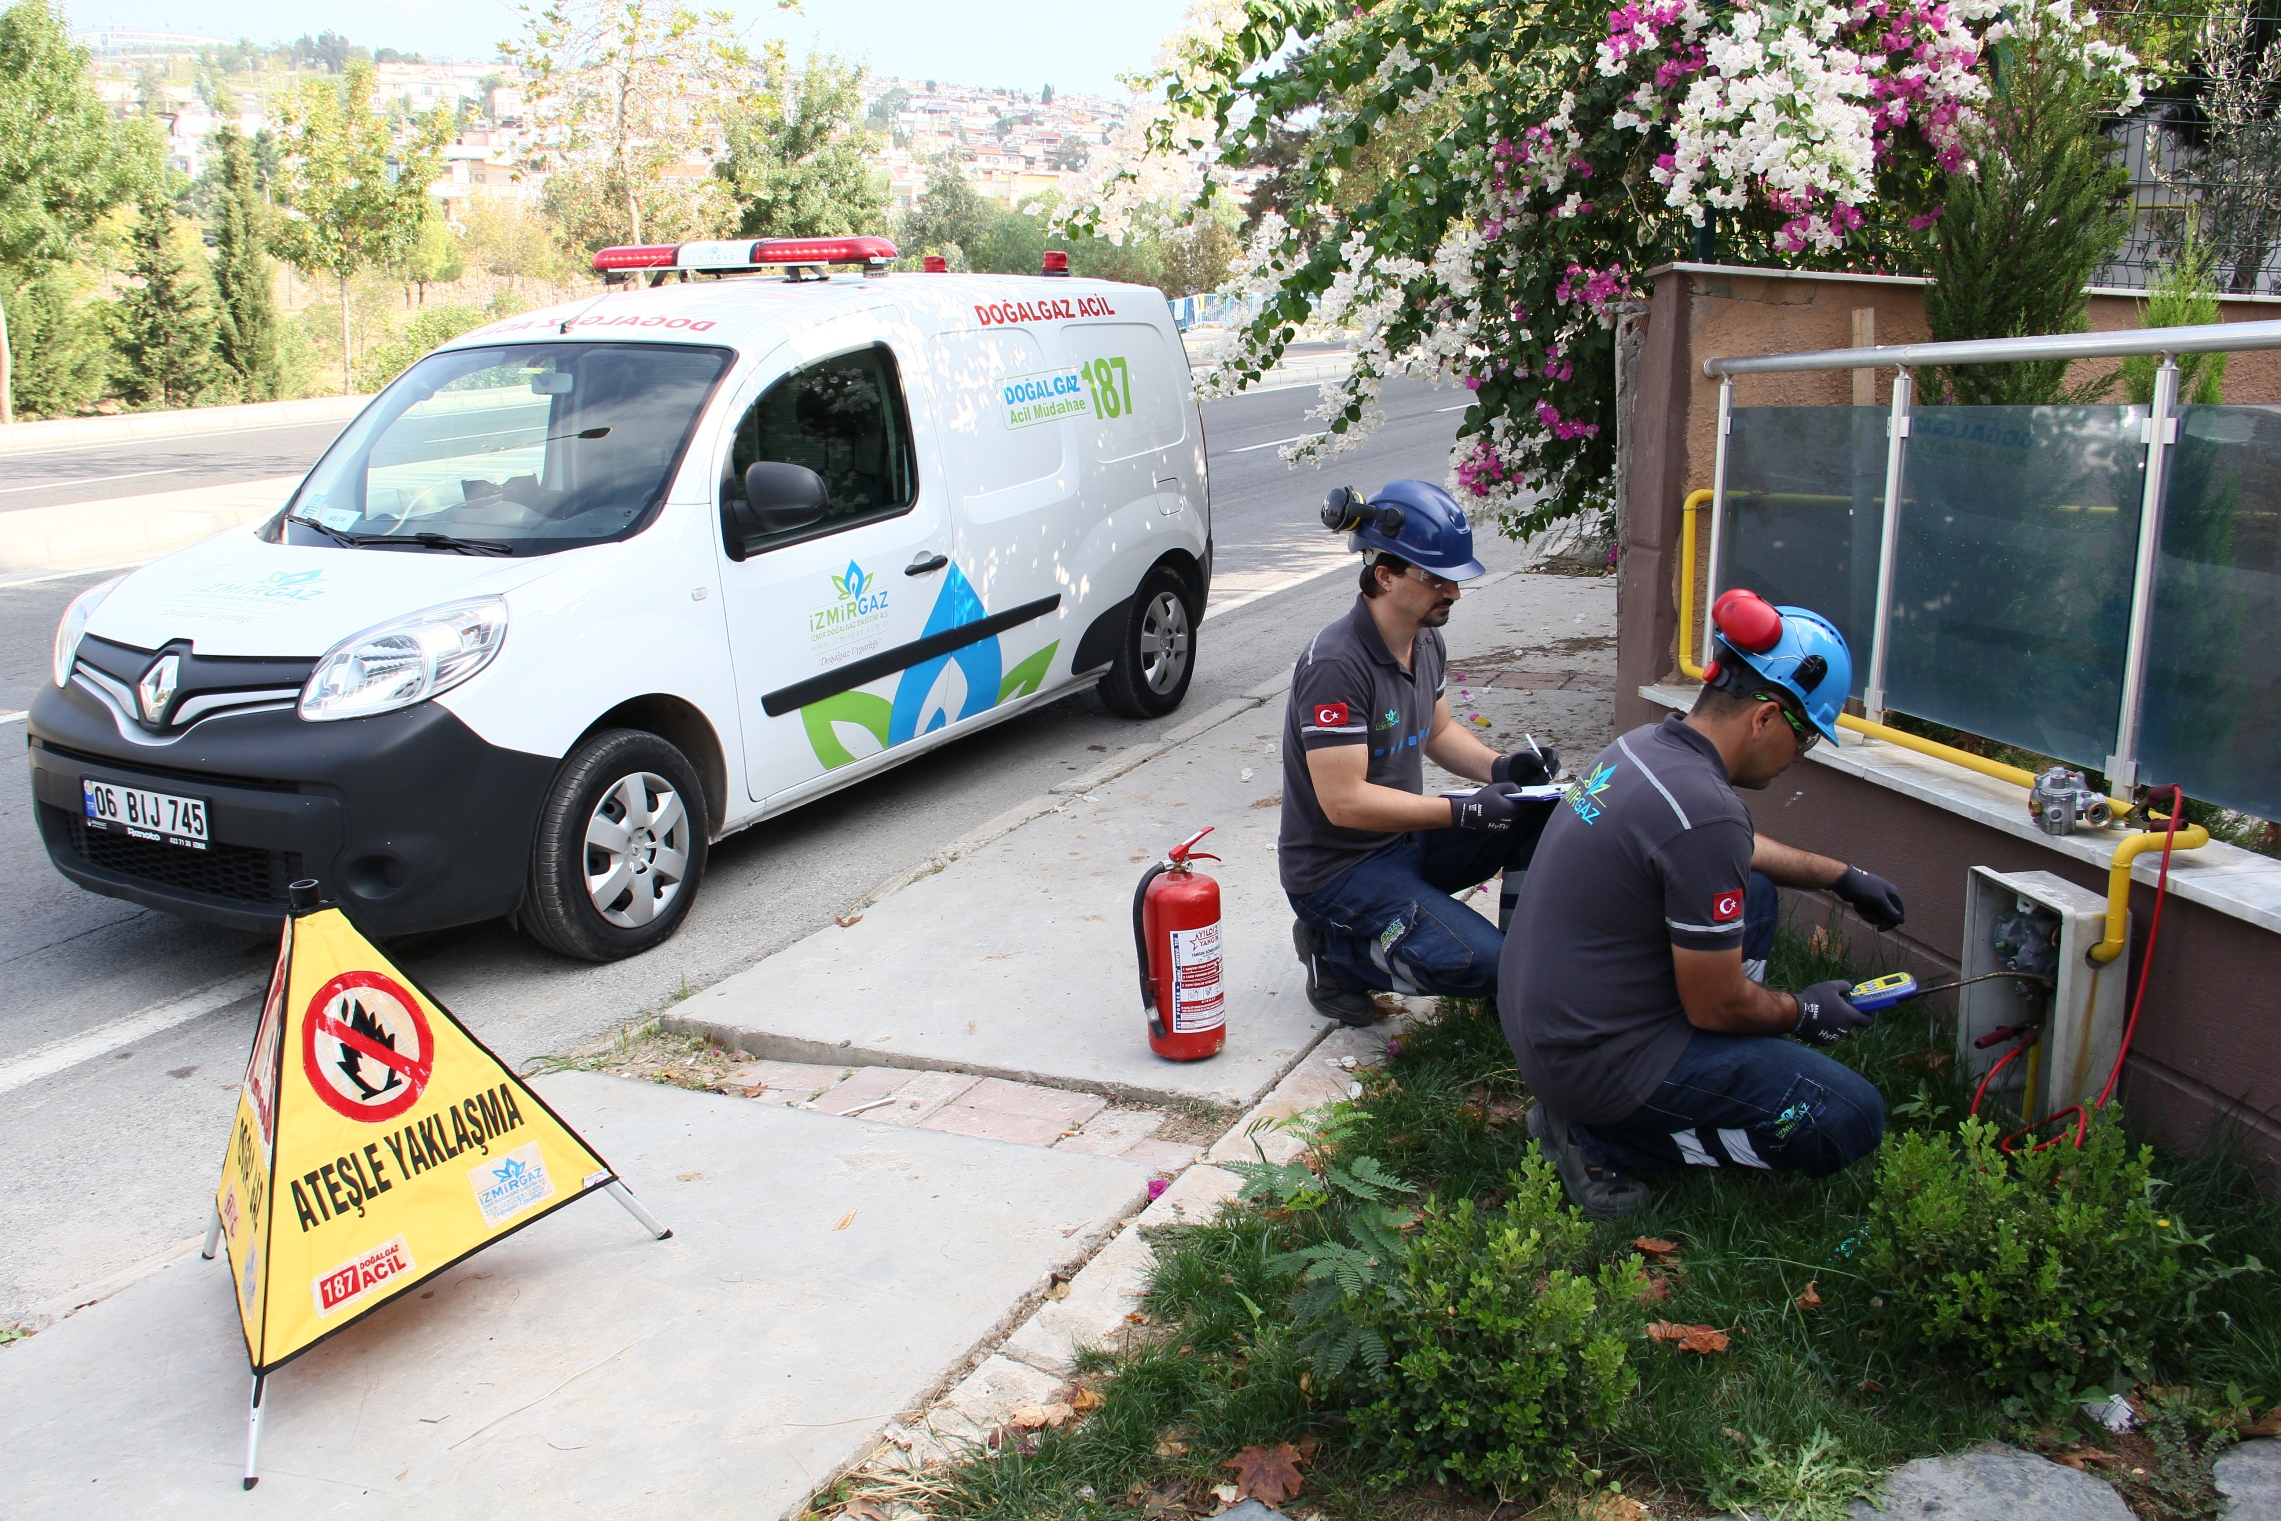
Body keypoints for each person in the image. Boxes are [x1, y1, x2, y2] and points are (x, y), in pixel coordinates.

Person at [1498, 591, 1909, 1217]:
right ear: (1766, 717)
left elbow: (1726, 848)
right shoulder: (1704, 814)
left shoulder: (1644, 749)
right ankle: (1602, 1137)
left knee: (1759, 895)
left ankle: (1646, 1093)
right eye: (1806, 740)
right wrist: (1804, 1013)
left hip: (1553, 1031)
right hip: (1599, 1067)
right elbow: (1716, 1003)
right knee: (1847, 1118)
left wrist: (1840, 876)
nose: (1800, 760)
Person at [1280, 480, 1560, 1026]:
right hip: (1338, 871)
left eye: (1455, 579)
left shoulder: (1423, 638)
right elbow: (1345, 804)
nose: (1453, 593)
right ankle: (1337, 954)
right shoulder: (1336, 664)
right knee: (1481, 964)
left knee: (1540, 815)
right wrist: (1467, 809)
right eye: (1437, 579)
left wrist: (1503, 769)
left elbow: (1437, 732)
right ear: (1384, 575)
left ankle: (1521, 978)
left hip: (1401, 843)